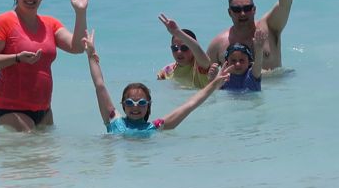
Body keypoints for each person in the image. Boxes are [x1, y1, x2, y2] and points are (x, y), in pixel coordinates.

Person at [0, 0, 88, 132]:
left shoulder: (50, 24)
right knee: (31, 149)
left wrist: (80, 12)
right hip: (11, 107)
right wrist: (16, 58)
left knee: (48, 155)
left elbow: (77, 47)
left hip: (44, 109)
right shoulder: (3, 22)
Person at [82, 29, 233, 136]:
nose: (135, 107)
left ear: (148, 105)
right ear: (122, 104)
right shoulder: (113, 121)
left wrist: (213, 85)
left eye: (141, 103)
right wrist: (90, 56)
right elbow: (99, 85)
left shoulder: (155, 127)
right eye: (130, 102)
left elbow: (190, 105)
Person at [155, 13, 211, 89]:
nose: (179, 52)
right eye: (174, 48)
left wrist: (178, 32)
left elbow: (198, 50)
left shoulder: (199, 67)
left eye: (184, 48)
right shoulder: (165, 72)